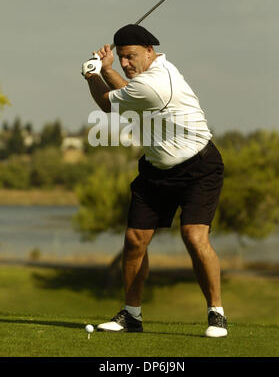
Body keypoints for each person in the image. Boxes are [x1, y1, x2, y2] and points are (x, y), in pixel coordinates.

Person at [82, 24, 227, 338]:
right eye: (121, 58)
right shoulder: (147, 77)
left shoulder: (159, 83)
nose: (126, 64)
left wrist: (93, 74)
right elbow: (129, 90)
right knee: (135, 240)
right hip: (156, 169)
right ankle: (131, 316)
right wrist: (107, 69)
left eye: (131, 56)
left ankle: (216, 313)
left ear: (151, 51)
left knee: (193, 236)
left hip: (198, 168)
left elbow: (109, 103)